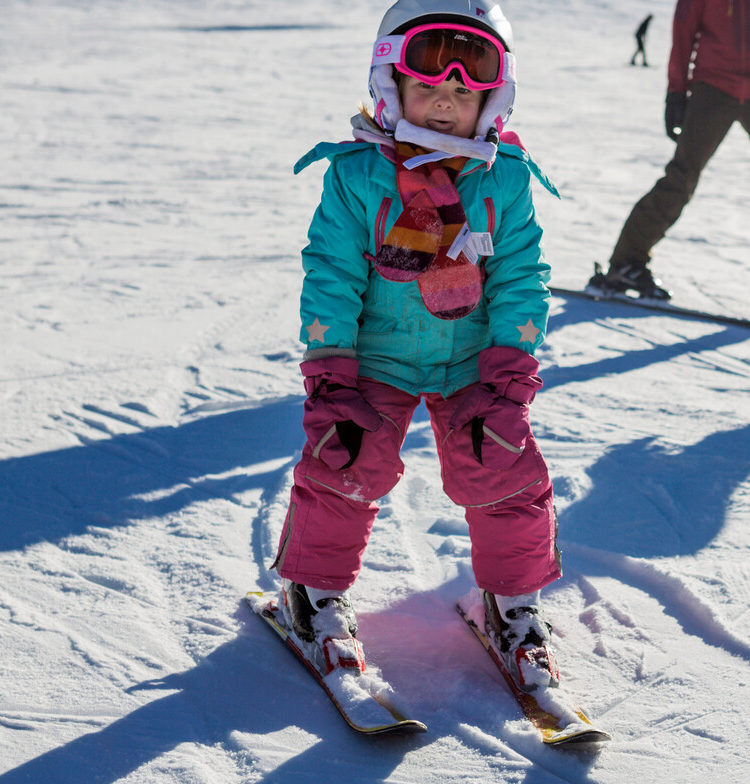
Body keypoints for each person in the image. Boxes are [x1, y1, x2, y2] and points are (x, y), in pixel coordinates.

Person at [279, 0, 564, 692]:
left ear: (494, 99)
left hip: (473, 364)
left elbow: (523, 276)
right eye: (429, 85)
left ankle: (513, 605)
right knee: (345, 465)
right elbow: (333, 273)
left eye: (465, 91)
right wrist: (330, 370)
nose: (445, 102)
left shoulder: (504, 179)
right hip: (374, 359)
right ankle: (313, 594)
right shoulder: (356, 175)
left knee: (506, 474)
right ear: (390, 86)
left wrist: (511, 369)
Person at [593, 0, 750, 309]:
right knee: (681, 177)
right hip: (712, 88)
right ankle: (626, 264)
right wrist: (676, 92)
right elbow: (684, 32)